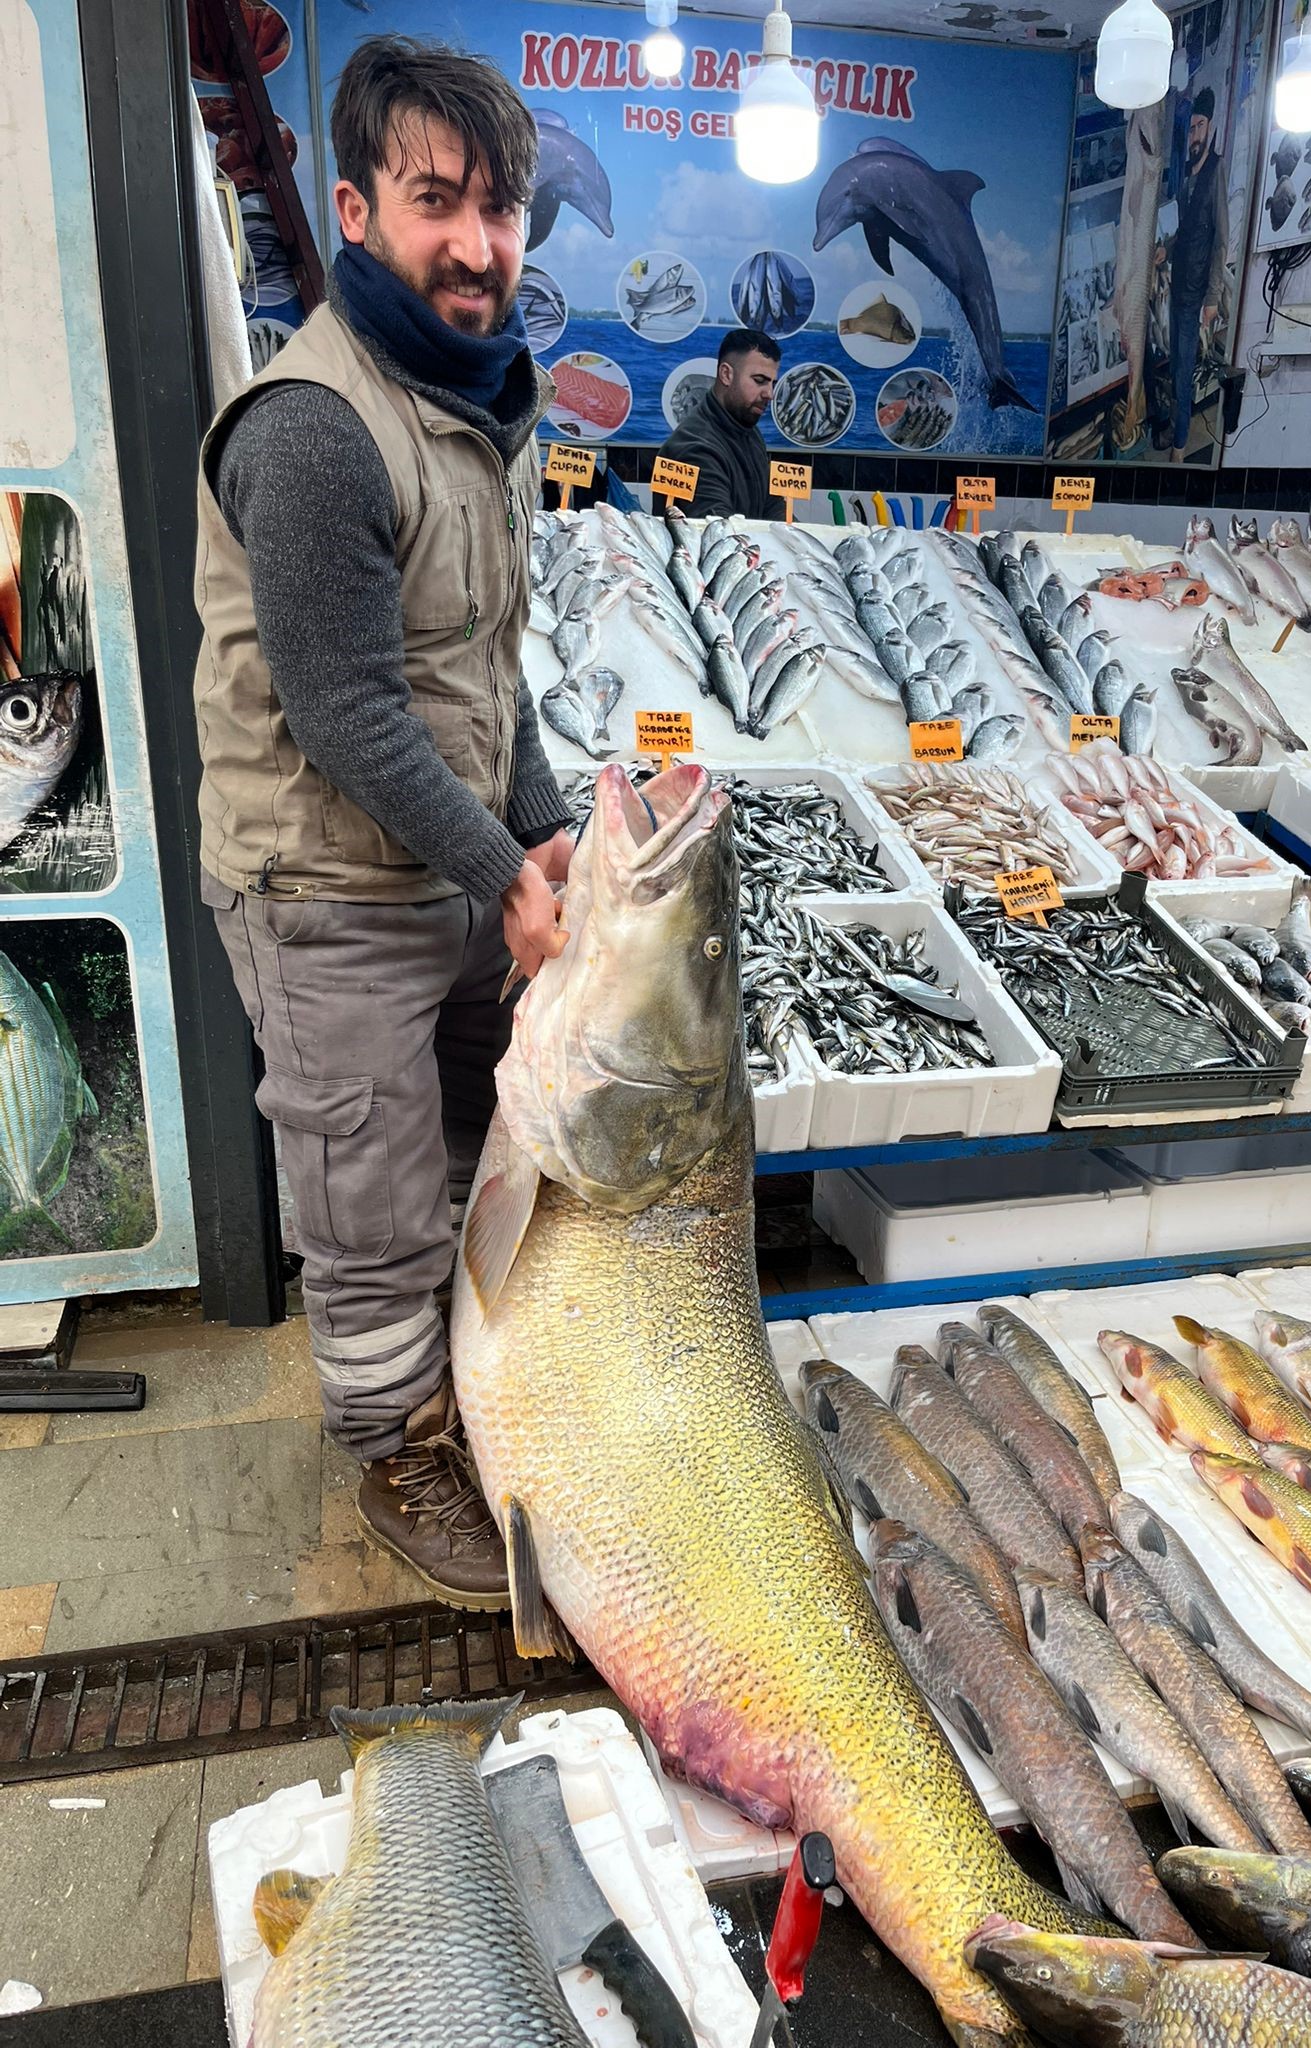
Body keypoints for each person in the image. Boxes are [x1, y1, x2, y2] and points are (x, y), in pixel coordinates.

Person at [193, 35, 573, 1609]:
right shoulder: (312, 427)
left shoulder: (480, 407)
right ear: (354, 211)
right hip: (323, 883)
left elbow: (486, 667)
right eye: (439, 203)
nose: (479, 246)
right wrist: (506, 878)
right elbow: (349, 715)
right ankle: (389, 1440)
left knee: (489, 1150)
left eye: (503, 209)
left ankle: (475, 1396)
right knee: (372, 1196)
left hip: (448, 872)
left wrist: (543, 838)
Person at [1160, 85, 1229, 463]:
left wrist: (1214, 296)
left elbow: (1222, 238)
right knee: (1174, 364)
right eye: (1191, 128)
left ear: (1211, 127)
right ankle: (1176, 426)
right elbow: (1185, 229)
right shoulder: (1186, 174)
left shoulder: (1215, 171)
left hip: (1198, 290)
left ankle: (1180, 448)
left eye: (1200, 126)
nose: (1195, 135)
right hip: (1178, 283)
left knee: (1185, 368)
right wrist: (1165, 250)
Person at [658, 329, 784, 519]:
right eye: (759, 381)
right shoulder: (693, 447)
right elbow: (717, 528)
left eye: (772, 383)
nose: (770, 394)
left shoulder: (749, 431)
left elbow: (773, 505)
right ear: (726, 374)